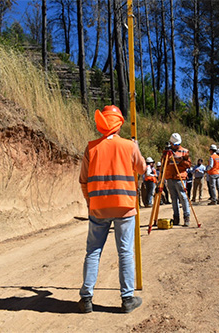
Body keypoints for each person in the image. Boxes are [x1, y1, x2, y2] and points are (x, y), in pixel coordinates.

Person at [78, 105, 146, 314]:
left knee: (93, 251)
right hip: (124, 207)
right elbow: (142, 169)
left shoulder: (91, 147)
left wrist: (91, 203)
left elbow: (83, 180)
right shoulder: (129, 146)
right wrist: (136, 148)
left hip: (98, 209)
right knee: (125, 251)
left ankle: (86, 299)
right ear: (119, 124)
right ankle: (127, 299)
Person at [164, 133, 191, 226]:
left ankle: (186, 217)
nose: (175, 146)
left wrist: (181, 161)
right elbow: (164, 164)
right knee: (173, 198)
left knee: (183, 197)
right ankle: (176, 217)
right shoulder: (168, 152)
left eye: (177, 144)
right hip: (170, 177)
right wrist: (165, 155)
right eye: (173, 144)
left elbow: (188, 165)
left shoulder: (184, 151)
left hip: (180, 177)